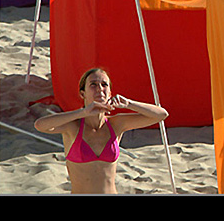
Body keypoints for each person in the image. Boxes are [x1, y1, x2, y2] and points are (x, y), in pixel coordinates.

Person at [34, 68, 169, 194]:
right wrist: (83, 112)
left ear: (110, 93)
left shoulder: (115, 124)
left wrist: (129, 103)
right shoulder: (73, 126)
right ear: (83, 93)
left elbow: (161, 115)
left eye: (104, 85)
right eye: (93, 84)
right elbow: (40, 125)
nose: (99, 89)